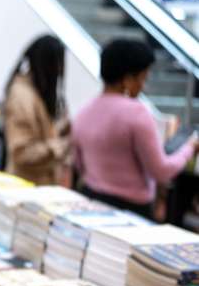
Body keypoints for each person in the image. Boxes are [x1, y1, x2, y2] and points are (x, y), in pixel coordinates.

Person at [72, 38, 195, 217]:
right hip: (131, 212)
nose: (143, 86)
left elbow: (79, 165)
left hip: (93, 204)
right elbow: (161, 171)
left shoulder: (84, 112)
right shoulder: (136, 113)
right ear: (128, 79)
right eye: (143, 78)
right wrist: (189, 148)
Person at [3, 34, 70, 184]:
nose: (60, 72)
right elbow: (21, 152)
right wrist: (59, 145)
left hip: (40, 186)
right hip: (24, 188)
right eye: (57, 65)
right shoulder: (22, 97)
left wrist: (62, 128)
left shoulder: (38, 92)